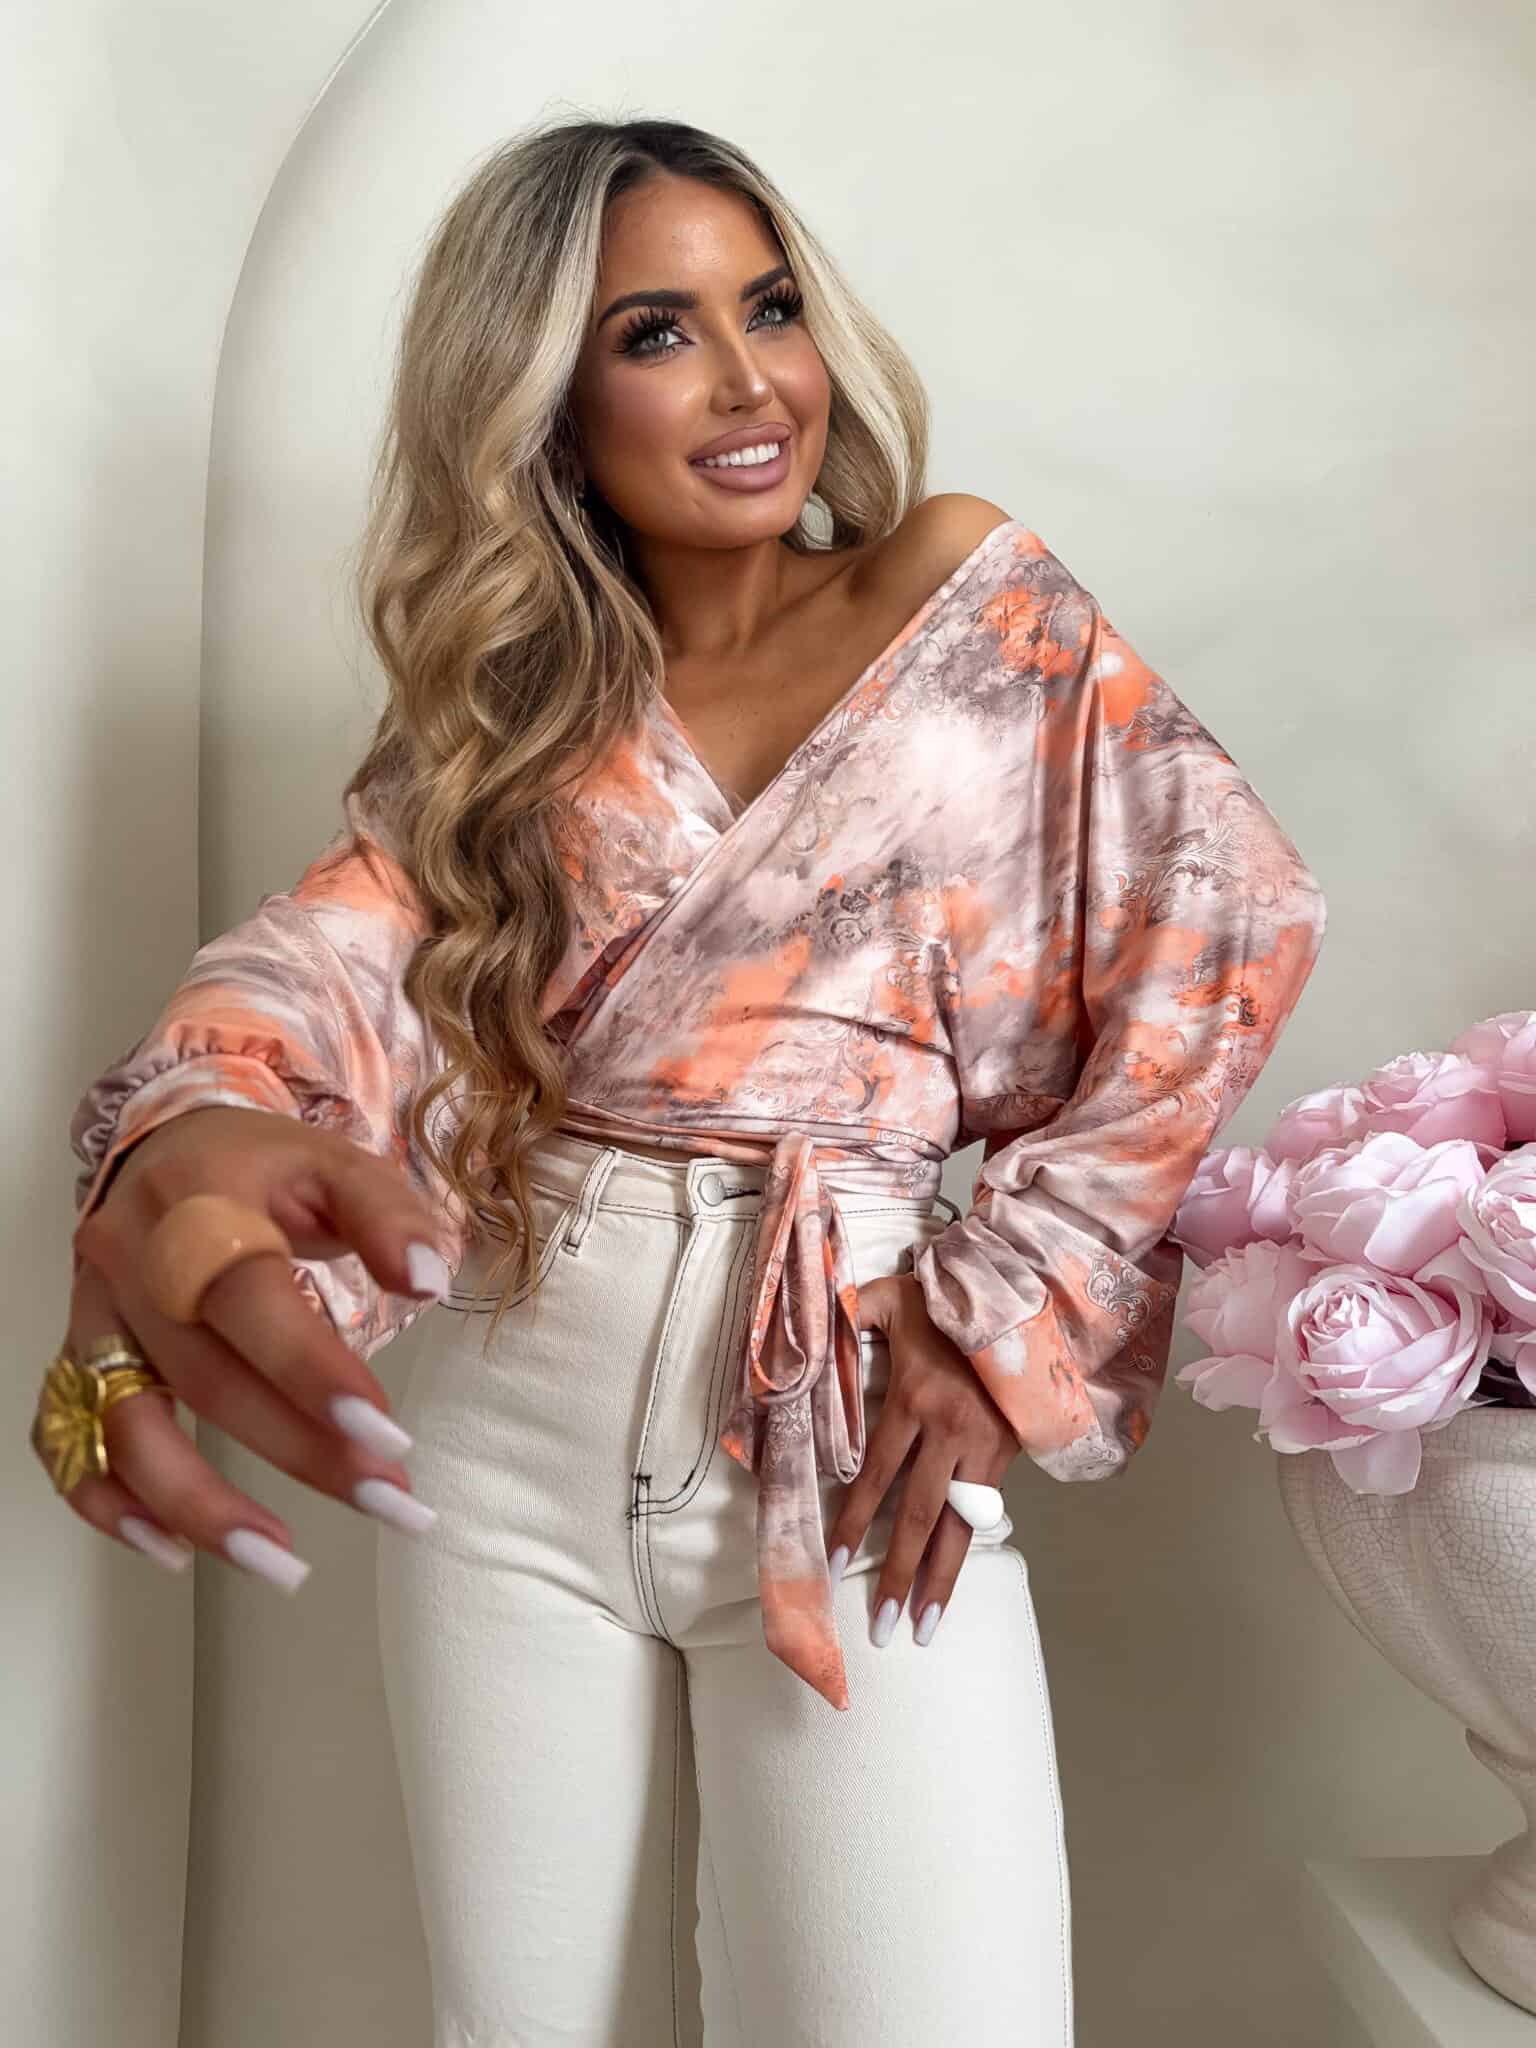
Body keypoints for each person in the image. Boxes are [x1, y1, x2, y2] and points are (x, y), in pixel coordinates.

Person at [34, 114, 1328, 2045]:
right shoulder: (513, 716)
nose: (749, 382)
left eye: (770, 308)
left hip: (836, 1398)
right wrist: (191, 1117)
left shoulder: (957, 591)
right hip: (508, 1407)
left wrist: (1011, 1303)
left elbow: (1227, 920)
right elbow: (327, 956)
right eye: (656, 332)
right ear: (546, 405)